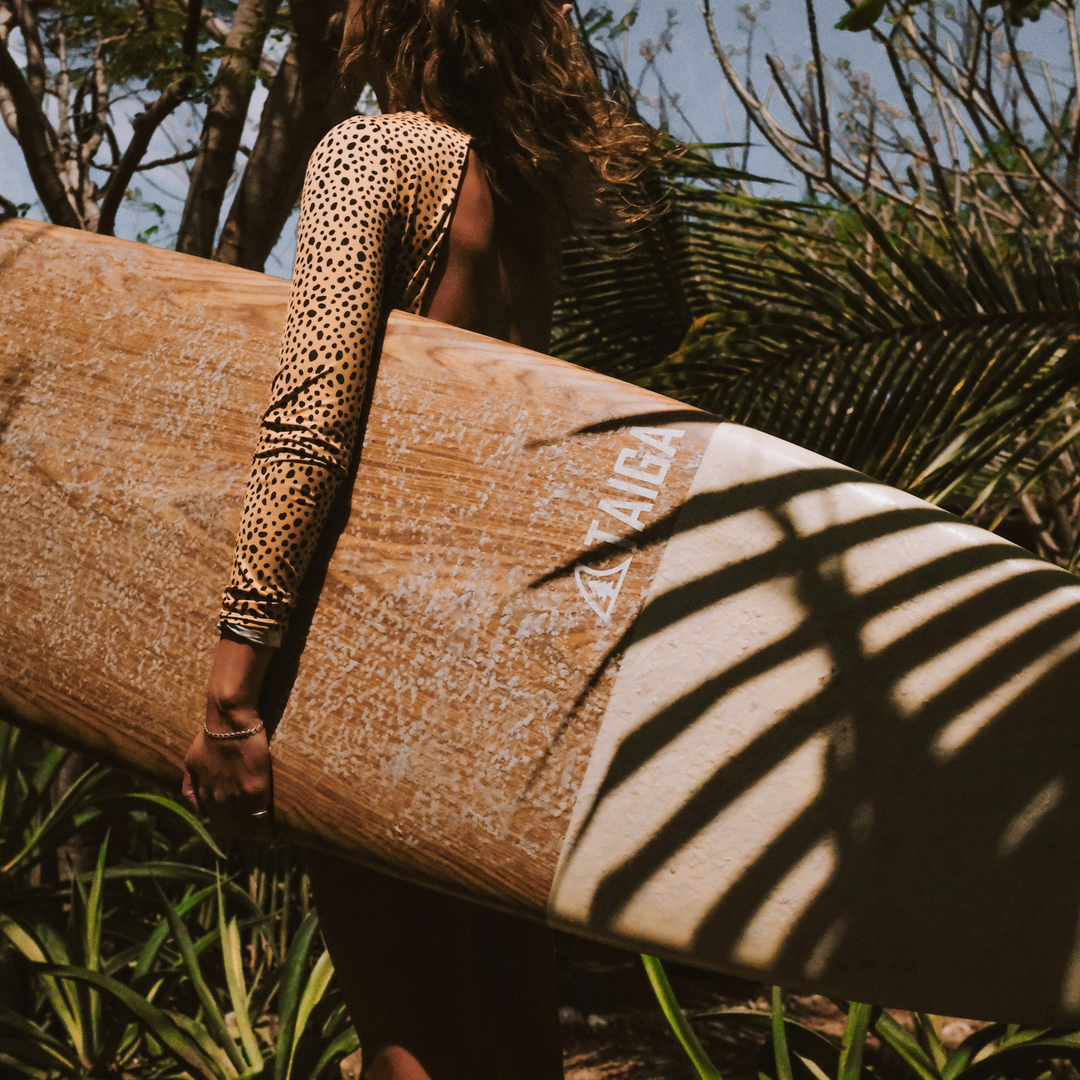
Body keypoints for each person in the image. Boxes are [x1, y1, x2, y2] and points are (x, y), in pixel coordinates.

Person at [182, 2, 659, 1076]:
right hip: (500, 664)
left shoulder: (374, 153)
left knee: (412, 1048)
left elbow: (312, 423)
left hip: (378, 654)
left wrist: (232, 687)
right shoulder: (529, 196)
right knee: (510, 1039)